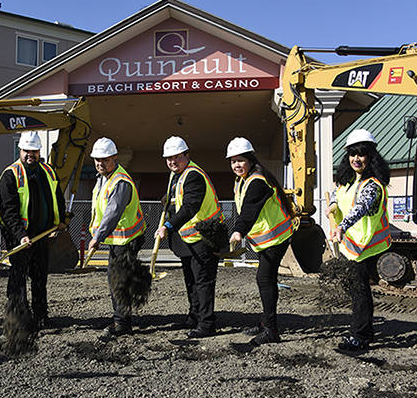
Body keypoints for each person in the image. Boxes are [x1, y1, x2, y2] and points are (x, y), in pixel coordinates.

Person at [326, 129, 391, 352]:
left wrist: (343, 225)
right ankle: (364, 329)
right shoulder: (348, 179)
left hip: (367, 245)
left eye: (361, 154)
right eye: (353, 154)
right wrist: (333, 204)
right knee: (355, 289)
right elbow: (338, 193)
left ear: (370, 156)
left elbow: (360, 208)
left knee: (360, 291)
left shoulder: (372, 185)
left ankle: (360, 336)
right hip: (351, 245)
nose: (356, 159)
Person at [227, 137, 295, 346]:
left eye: (240, 160)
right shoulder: (243, 179)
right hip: (266, 238)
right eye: (232, 161)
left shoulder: (257, 181)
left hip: (276, 237)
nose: (236, 165)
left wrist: (238, 231)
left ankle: (271, 330)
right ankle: (267, 322)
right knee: (266, 279)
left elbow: (250, 209)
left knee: (264, 279)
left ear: (250, 159)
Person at [0, 131, 67, 329]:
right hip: (19, 237)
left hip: (41, 235)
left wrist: (60, 220)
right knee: (18, 278)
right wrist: (21, 236)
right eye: (27, 150)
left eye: (34, 151)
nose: (31, 154)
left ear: (39, 151)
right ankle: (18, 317)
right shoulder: (10, 175)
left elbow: (58, 197)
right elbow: (8, 212)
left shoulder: (48, 171)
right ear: (20, 150)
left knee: (39, 277)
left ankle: (41, 315)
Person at [156, 136, 223, 338]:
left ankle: (206, 323)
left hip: (204, 236)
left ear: (187, 155)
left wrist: (168, 225)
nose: (172, 162)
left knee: (202, 281)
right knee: (191, 280)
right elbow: (179, 199)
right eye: (168, 158)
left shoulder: (193, 175)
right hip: (188, 239)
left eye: (176, 157)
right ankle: (194, 317)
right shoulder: (176, 175)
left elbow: (191, 206)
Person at [88, 137, 146, 340]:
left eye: (104, 160)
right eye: (97, 160)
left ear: (114, 158)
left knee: (119, 281)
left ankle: (122, 323)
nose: (100, 163)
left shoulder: (120, 182)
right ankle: (121, 319)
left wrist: (97, 237)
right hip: (116, 240)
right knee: (116, 280)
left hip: (126, 240)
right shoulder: (103, 178)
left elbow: (113, 213)